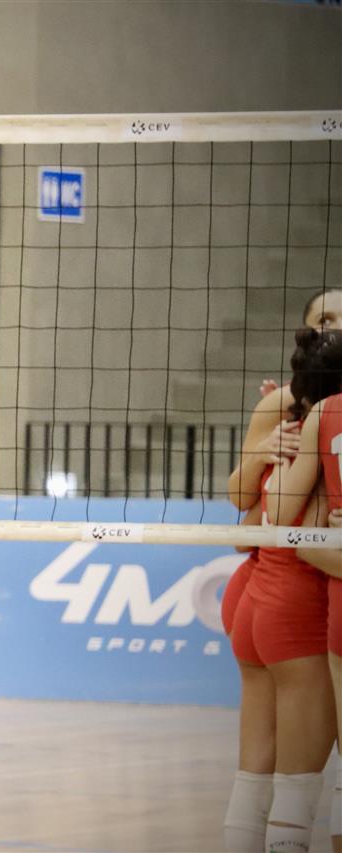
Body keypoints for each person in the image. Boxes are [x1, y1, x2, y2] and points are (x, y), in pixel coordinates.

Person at [221, 290, 340, 851]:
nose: (333, 327)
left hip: (265, 595)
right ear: (307, 329)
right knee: (298, 782)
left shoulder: (317, 409)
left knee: (261, 775)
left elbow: (261, 521)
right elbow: (246, 507)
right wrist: (265, 451)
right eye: (325, 319)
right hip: (292, 597)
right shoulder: (293, 409)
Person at [263, 328, 342, 853]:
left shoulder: (316, 415)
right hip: (298, 600)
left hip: (298, 595)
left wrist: (267, 454)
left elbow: (272, 516)